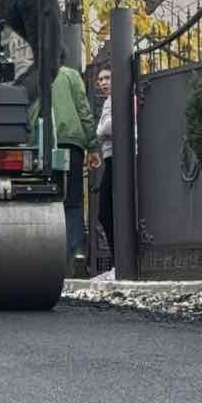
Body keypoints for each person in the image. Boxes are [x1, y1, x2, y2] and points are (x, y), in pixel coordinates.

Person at [31, 65, 99, 266]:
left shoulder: (33, 75)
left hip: (43, 144)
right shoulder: (71, 75)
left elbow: (31, 110)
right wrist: (92, 146)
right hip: (72, 142)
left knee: (45, 197)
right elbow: (83, 109)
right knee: (74, 199)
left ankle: (49, 254)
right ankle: (77, 251)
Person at [94, 62, 114, 268]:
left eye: (107, 78)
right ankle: (117, 261)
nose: (103, 82)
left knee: (106, 212)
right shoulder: (108, 102)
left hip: (117, 158)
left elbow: (107, 127)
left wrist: (99, 132)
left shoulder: (115, 99)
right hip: (110, 158)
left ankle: (118, 261)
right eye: (100, 79)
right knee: (106, 212)